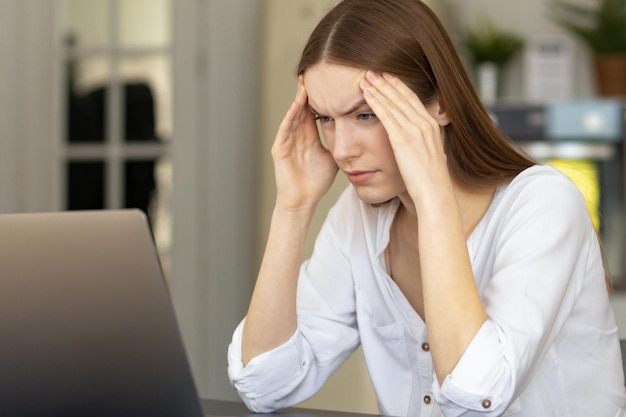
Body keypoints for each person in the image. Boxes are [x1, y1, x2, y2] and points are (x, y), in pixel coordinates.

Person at [227, 1, 626, 416]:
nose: (341, 150)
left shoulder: (543, 205)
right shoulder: (357, 218)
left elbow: (476, 395)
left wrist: (433, 194)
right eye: (324, 119)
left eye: (365, 114)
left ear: (441, 104)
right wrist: (293, 207)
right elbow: (264, 385)